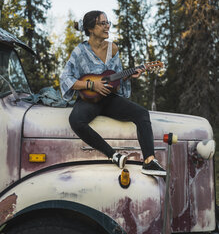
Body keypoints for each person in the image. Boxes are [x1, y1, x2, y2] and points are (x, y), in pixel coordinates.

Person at [60, 10, 166, 176]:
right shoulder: (79, 52)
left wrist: (129, 75)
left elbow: (115, 77)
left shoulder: (113, 48)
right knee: (76, 120)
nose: (107, 26)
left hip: (109, 99)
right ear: (90, 29)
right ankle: (113, 155)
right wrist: (91, 84)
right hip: (89, 100)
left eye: (108, 22)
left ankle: (149, 161)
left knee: (142, 114)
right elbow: (66, 78)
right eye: (102, 23)